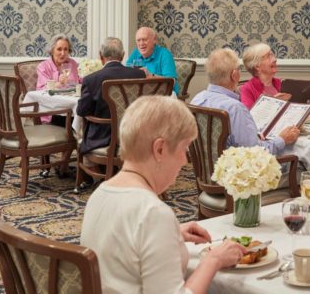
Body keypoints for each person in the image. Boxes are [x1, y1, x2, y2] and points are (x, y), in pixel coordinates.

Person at [80, 96, 247, 293]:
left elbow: (121, 248)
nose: (185, 161)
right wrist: (214, 260)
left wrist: (171, 234)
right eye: (185, 149)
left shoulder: (100, 194)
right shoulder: (153, 213)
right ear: (159, 149)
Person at [190, 48, 299, 156]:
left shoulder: (197, 99)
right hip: (233, 170)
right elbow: (254, 154)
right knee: (299, 159)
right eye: (239, 69)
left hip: (208, 169)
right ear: (234, 75)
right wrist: (282, 139)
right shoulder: (235, 108)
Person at [76, 37, 146, 155]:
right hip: (133, 133)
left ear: (100, 55)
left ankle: (95, 172)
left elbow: (82, 111)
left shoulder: (90, 80)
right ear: (123, 55)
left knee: (81, 142)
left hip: (102, 137)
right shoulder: (139, 74)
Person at [36, 34, 82, 125]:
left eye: (66, 49)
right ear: (52, 50)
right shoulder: (43, 67)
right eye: (59, 49)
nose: (63, 53)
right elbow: (42, 91)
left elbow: (80, 82)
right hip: (53, 112)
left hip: (72, 109)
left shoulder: (73, 64)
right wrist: (59, 83)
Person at [126, 26, 179, 94]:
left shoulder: (165, 54)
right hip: (141, 93)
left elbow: (172, 81)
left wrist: (151, 76)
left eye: (144, 39)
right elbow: (126, 73)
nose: (141, 43)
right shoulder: (135, 53)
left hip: (164, 94)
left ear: (154, 40)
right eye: (138, 40)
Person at [240, 43, 291, 109]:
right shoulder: (247, 89)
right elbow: (248, 116)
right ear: (257, 66)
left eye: (272, 55)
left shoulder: (281, 83)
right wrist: (273, 103)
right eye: (268, 57)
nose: (274, 60)